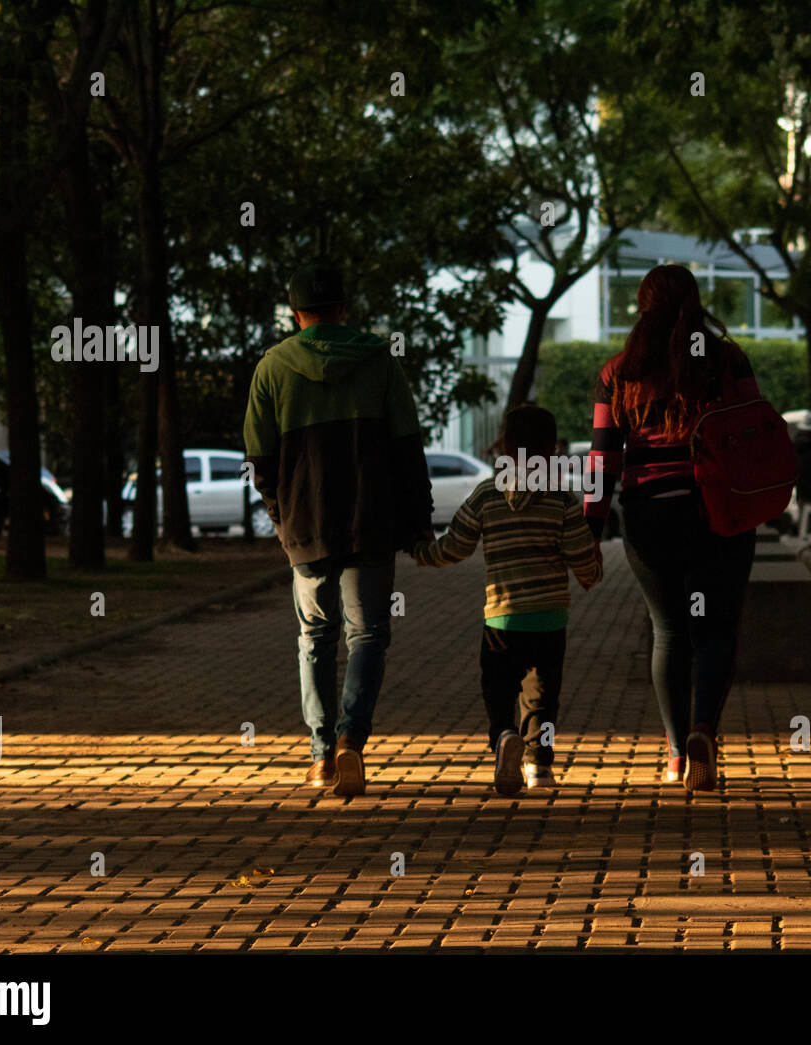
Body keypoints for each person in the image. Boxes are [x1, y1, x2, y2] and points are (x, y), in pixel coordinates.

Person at [243, 263, 433, 795]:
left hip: (306, 526)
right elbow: (407, 450)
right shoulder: (380, 361)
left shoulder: (273, 368)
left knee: (315, 639)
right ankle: (353, 737)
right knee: (368, 634)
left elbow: (259, 458)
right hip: (371, 522)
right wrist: (417, 523)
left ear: (295, 312)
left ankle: (322, 756)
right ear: (344, 309)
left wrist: (283, 518)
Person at [585, 264, 761, 792]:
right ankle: (704, 728)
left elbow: (602, 460)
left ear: (643, 304)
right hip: (718, 511)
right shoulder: (726, 359)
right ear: (694, 299)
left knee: (669, 631)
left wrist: (591, 531)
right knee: (715, 628)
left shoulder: (620, 370)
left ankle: (676, 755)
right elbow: (752, 429)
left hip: (650, 515)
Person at [413, 405, 601, 795]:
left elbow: (455, 547)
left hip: (501, 621)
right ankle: (540, 766)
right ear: (551, 450)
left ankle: (503, 737)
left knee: (498, 690)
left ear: (506, 446)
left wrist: (420, 551)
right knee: (542, 696)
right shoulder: (561, 499)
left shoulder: (486, 494)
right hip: (550, 620)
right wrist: (590, 575)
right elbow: (582, 556)